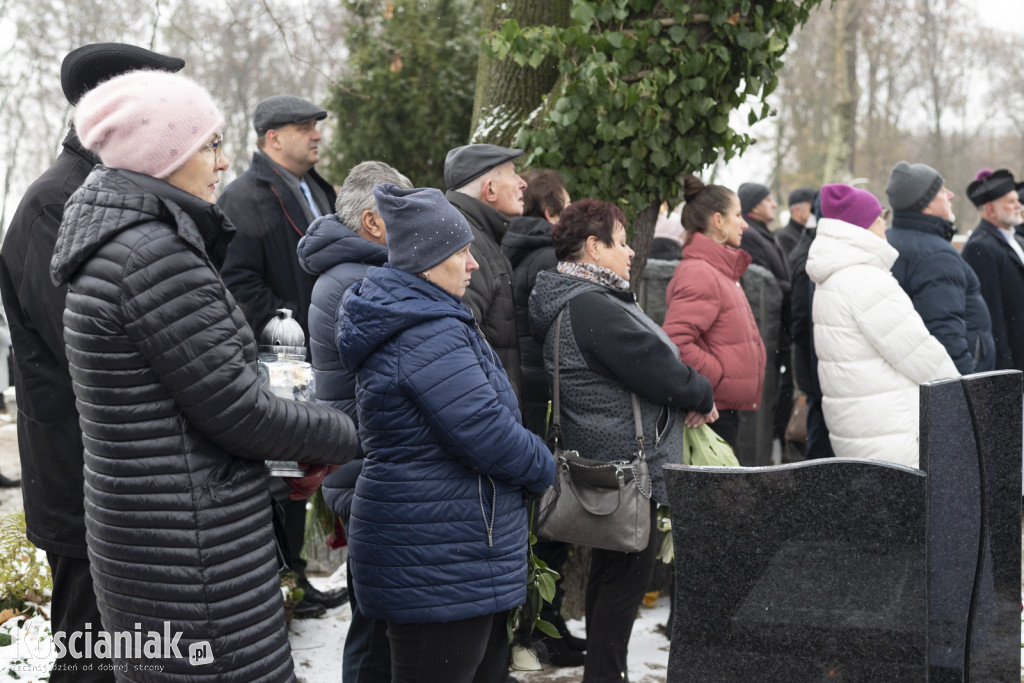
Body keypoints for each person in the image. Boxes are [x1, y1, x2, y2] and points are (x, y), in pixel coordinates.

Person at [48, 69, 357, 681]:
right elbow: (240, 410)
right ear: (163, 155)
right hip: (192, 551)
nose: (222, 162)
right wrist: (348, 431)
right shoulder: (152, 255)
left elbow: (183, 405)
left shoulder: (122, 241)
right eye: (209, 145)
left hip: (155, 531)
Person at [0, 43, 186, 683]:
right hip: (87, 485)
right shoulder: (59, 203)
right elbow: (100, 349)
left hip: (123, 480)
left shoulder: (112, 195)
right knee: (94, 658)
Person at [337, 183, 555, 683]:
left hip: (447, 549)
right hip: (434, 556)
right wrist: (544, 468)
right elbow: (485, 431)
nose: (473, 264)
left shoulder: (433, 316)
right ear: (427, 261)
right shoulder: (424, 329)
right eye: (461, 252)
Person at [529, 198, 716, 683]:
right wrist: (700, 391)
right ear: (594, 247)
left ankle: (602, 672)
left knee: (611, 575)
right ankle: (606, 675)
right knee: (623, 582)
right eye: (622, 240)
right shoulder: (590, 305)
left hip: (604, 460)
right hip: (629, 468)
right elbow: (654, 368)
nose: (631, 251)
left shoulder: (577, 297)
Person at [218, 94, 343, 617]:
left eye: (317, 126)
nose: (316, 135)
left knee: (306, 471)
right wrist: (290, 327)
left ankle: (297, 576)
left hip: (324, 354)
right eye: (304, 127)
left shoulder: (317, 187)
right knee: (282, 474)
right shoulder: (243, 199)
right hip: (282, 361)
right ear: (272, 139)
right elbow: (237, 280)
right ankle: (283, 581)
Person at [296, 160, 413, 683]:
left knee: (378, 618)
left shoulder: (360, 273)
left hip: (365, 459)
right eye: (403, 211)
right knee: (374, 628)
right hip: (370, 464)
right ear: (372, 223)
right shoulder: (360, 281)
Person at [806, 183, 959, 467]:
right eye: (878, 218)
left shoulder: (833, 276)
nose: (884, 225)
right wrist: (958, 392)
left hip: (858, 423)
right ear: (861, 225)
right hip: (890, 427)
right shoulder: (865, 279)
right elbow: (916, 351)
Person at [499, 169, 585, 667]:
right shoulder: (548, 258)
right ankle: (541, 631)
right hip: (544, 401)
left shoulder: (508, 248)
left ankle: (545, 627)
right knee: (550, 519)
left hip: (519, 396)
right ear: (552, 212)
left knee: (537, 519)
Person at [663, 176, 766, 450]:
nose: (744, 224)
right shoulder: (700, 272)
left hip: (718, 411)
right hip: (710, 415)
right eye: (738, 215)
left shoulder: (719, 269)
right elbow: (676, 341)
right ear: (718, 221)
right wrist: (712, 382)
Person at [884, 161, 993, 375]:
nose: (951, 195)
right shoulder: (934, 255)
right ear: (926, 204)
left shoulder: (889, 241)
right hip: (951, 384)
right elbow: (946, 334)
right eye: (943, 192)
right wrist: (966, 394)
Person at [444, 143, 528, 394]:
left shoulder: (475, 234)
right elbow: (459, 350)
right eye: (513, 174)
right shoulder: (466, 240)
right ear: (489, 189)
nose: (523, 183)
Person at [737, 182, 793, 447]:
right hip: (764, 328)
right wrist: (792, 289)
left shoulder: (763, 234)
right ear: (754, 205)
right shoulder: (749, 236)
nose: (774, 204)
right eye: (769, 200)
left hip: (776, 327)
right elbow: (761, 281)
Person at [961, 169, 1024, 371]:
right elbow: (992, 314)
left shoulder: (1017, 240)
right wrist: (1005, 367)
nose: (1019, 206)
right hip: (1013, 358)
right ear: (991, 210)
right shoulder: (979, 247)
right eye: (1011, 202)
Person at [789, 193, 835, 460]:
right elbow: (802, 321)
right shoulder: (811, 254)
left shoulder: (812, 248)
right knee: (819, 438)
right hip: (814, 362)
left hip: (816, 362)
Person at [776, 187, 816, 258]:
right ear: (796, 211)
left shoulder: (810, 232)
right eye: (812, 208)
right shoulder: (783, 237)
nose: (815, 211)